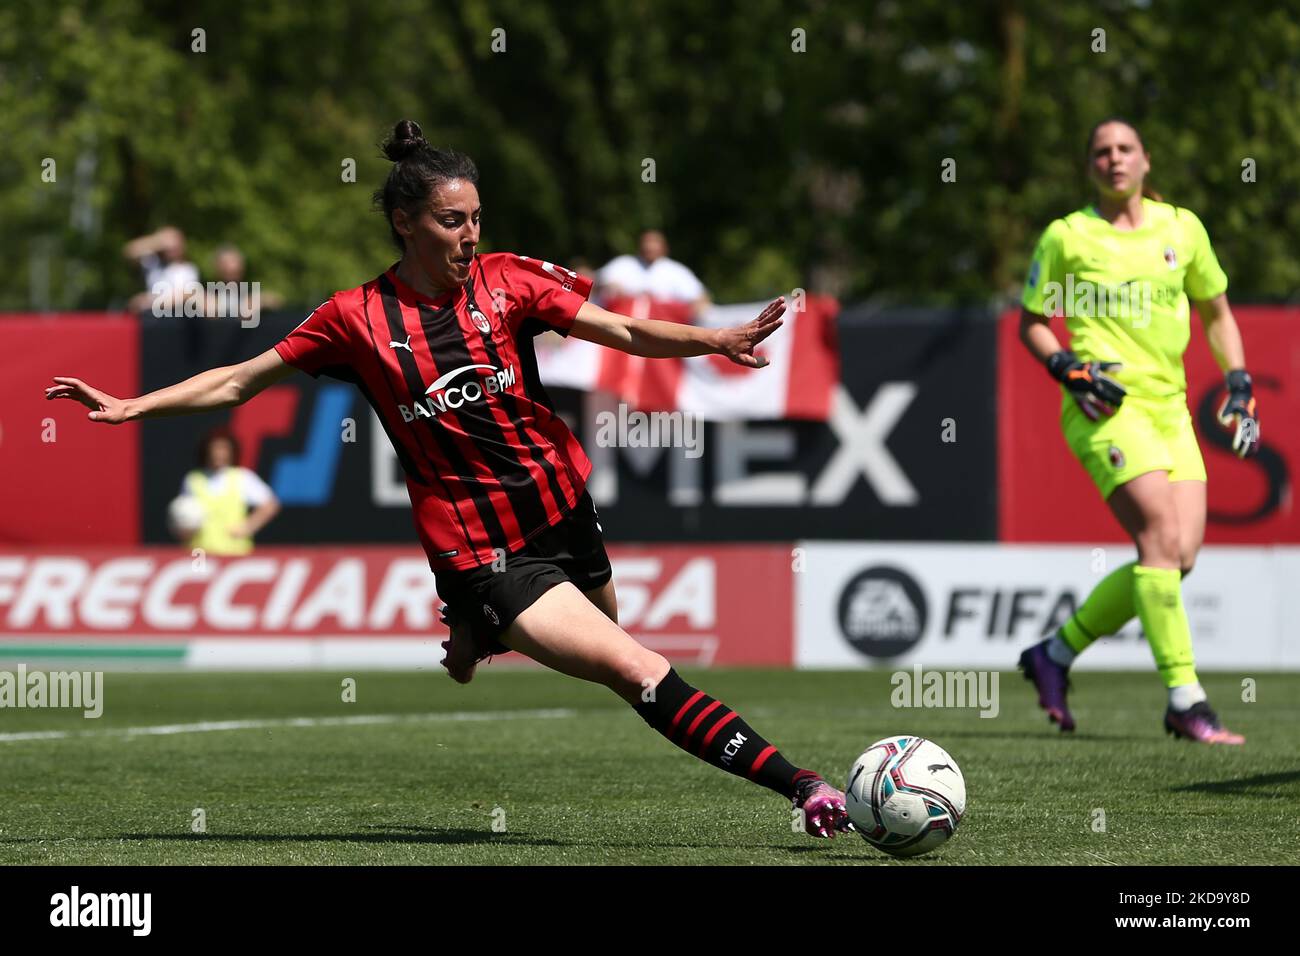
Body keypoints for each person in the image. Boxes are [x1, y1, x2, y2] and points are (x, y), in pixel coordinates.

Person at [44, 119, 852, 838]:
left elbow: (624, 328)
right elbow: (240, 380)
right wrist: (128, 408)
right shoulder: (355, 318)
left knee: (613, 630)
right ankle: (802, 785)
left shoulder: (508, 280)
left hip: (563, 502)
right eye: (450, 221)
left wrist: (711, 339)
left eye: (475, 219)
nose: (469, 235)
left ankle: (477, 632)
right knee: (634, 667)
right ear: (405, 223)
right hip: (479, 543)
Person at [1016, 117, 1259, 746]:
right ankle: (1187, 699)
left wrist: (1237, 380)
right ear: (1090, 165)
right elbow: (1034, 321)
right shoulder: (1069, 237)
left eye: (1125, 149)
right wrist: (1064, 366)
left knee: (1178, 558)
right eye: (1101, 152)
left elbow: (1218, 312)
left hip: (1171, 410)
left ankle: (1054, 653)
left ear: (1146, 160)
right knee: (1159, 537)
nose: (1114, 159)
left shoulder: (1182, 228)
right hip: (1105, 406)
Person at [172, 426, 281, 555]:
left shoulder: (242, 477)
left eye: (223, 448)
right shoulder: (193, 480)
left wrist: (248, 526)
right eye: (215, 448)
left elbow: (270, 504)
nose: (218, 453)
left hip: (234, 552)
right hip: (200, 553)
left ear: (231, 451)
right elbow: (183, 516)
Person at [596, 229, 711, 318]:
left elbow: (700, 299)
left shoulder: (676, 271)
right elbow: (597, 283)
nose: (649, 247)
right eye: (647, 242)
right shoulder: (622, 264)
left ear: (664, 247)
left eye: (654, 242)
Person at [123, 226, 199, 314]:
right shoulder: (153, 264)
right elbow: (129, 253)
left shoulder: (187, 269)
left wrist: (149, 301)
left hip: (176, 319)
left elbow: (186, 295)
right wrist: (157, 241)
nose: (171, 248)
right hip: (151, 319)